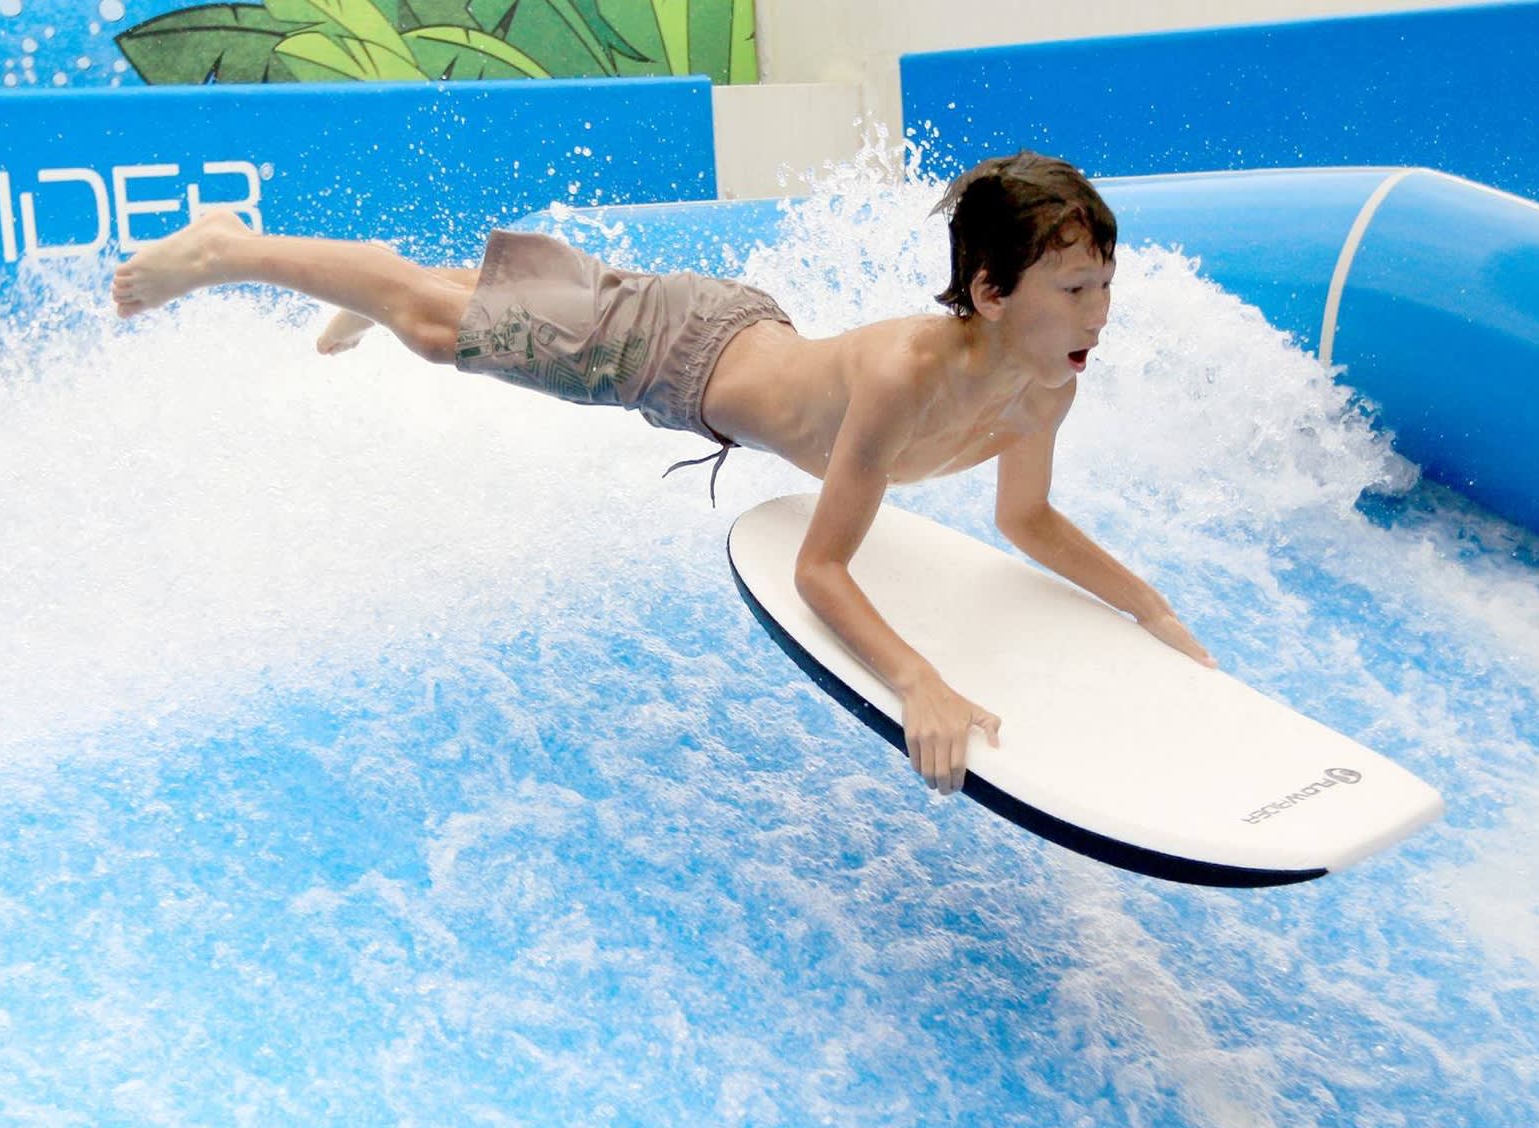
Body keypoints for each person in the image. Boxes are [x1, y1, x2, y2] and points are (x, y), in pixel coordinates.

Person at [111, 150, 1215, 797]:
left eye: (1103, 285)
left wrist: (1150, 609)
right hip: (671, 358)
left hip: (736, 331)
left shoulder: (1045, 386)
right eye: (1073, 291)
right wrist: (917, 680)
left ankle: (402, 286)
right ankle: (226, 249)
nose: (1098, 314)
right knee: (437, 333)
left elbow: (1028, 519)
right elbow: (823, 570)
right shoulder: (903, 376)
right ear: (988, 293)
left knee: (467, 312)